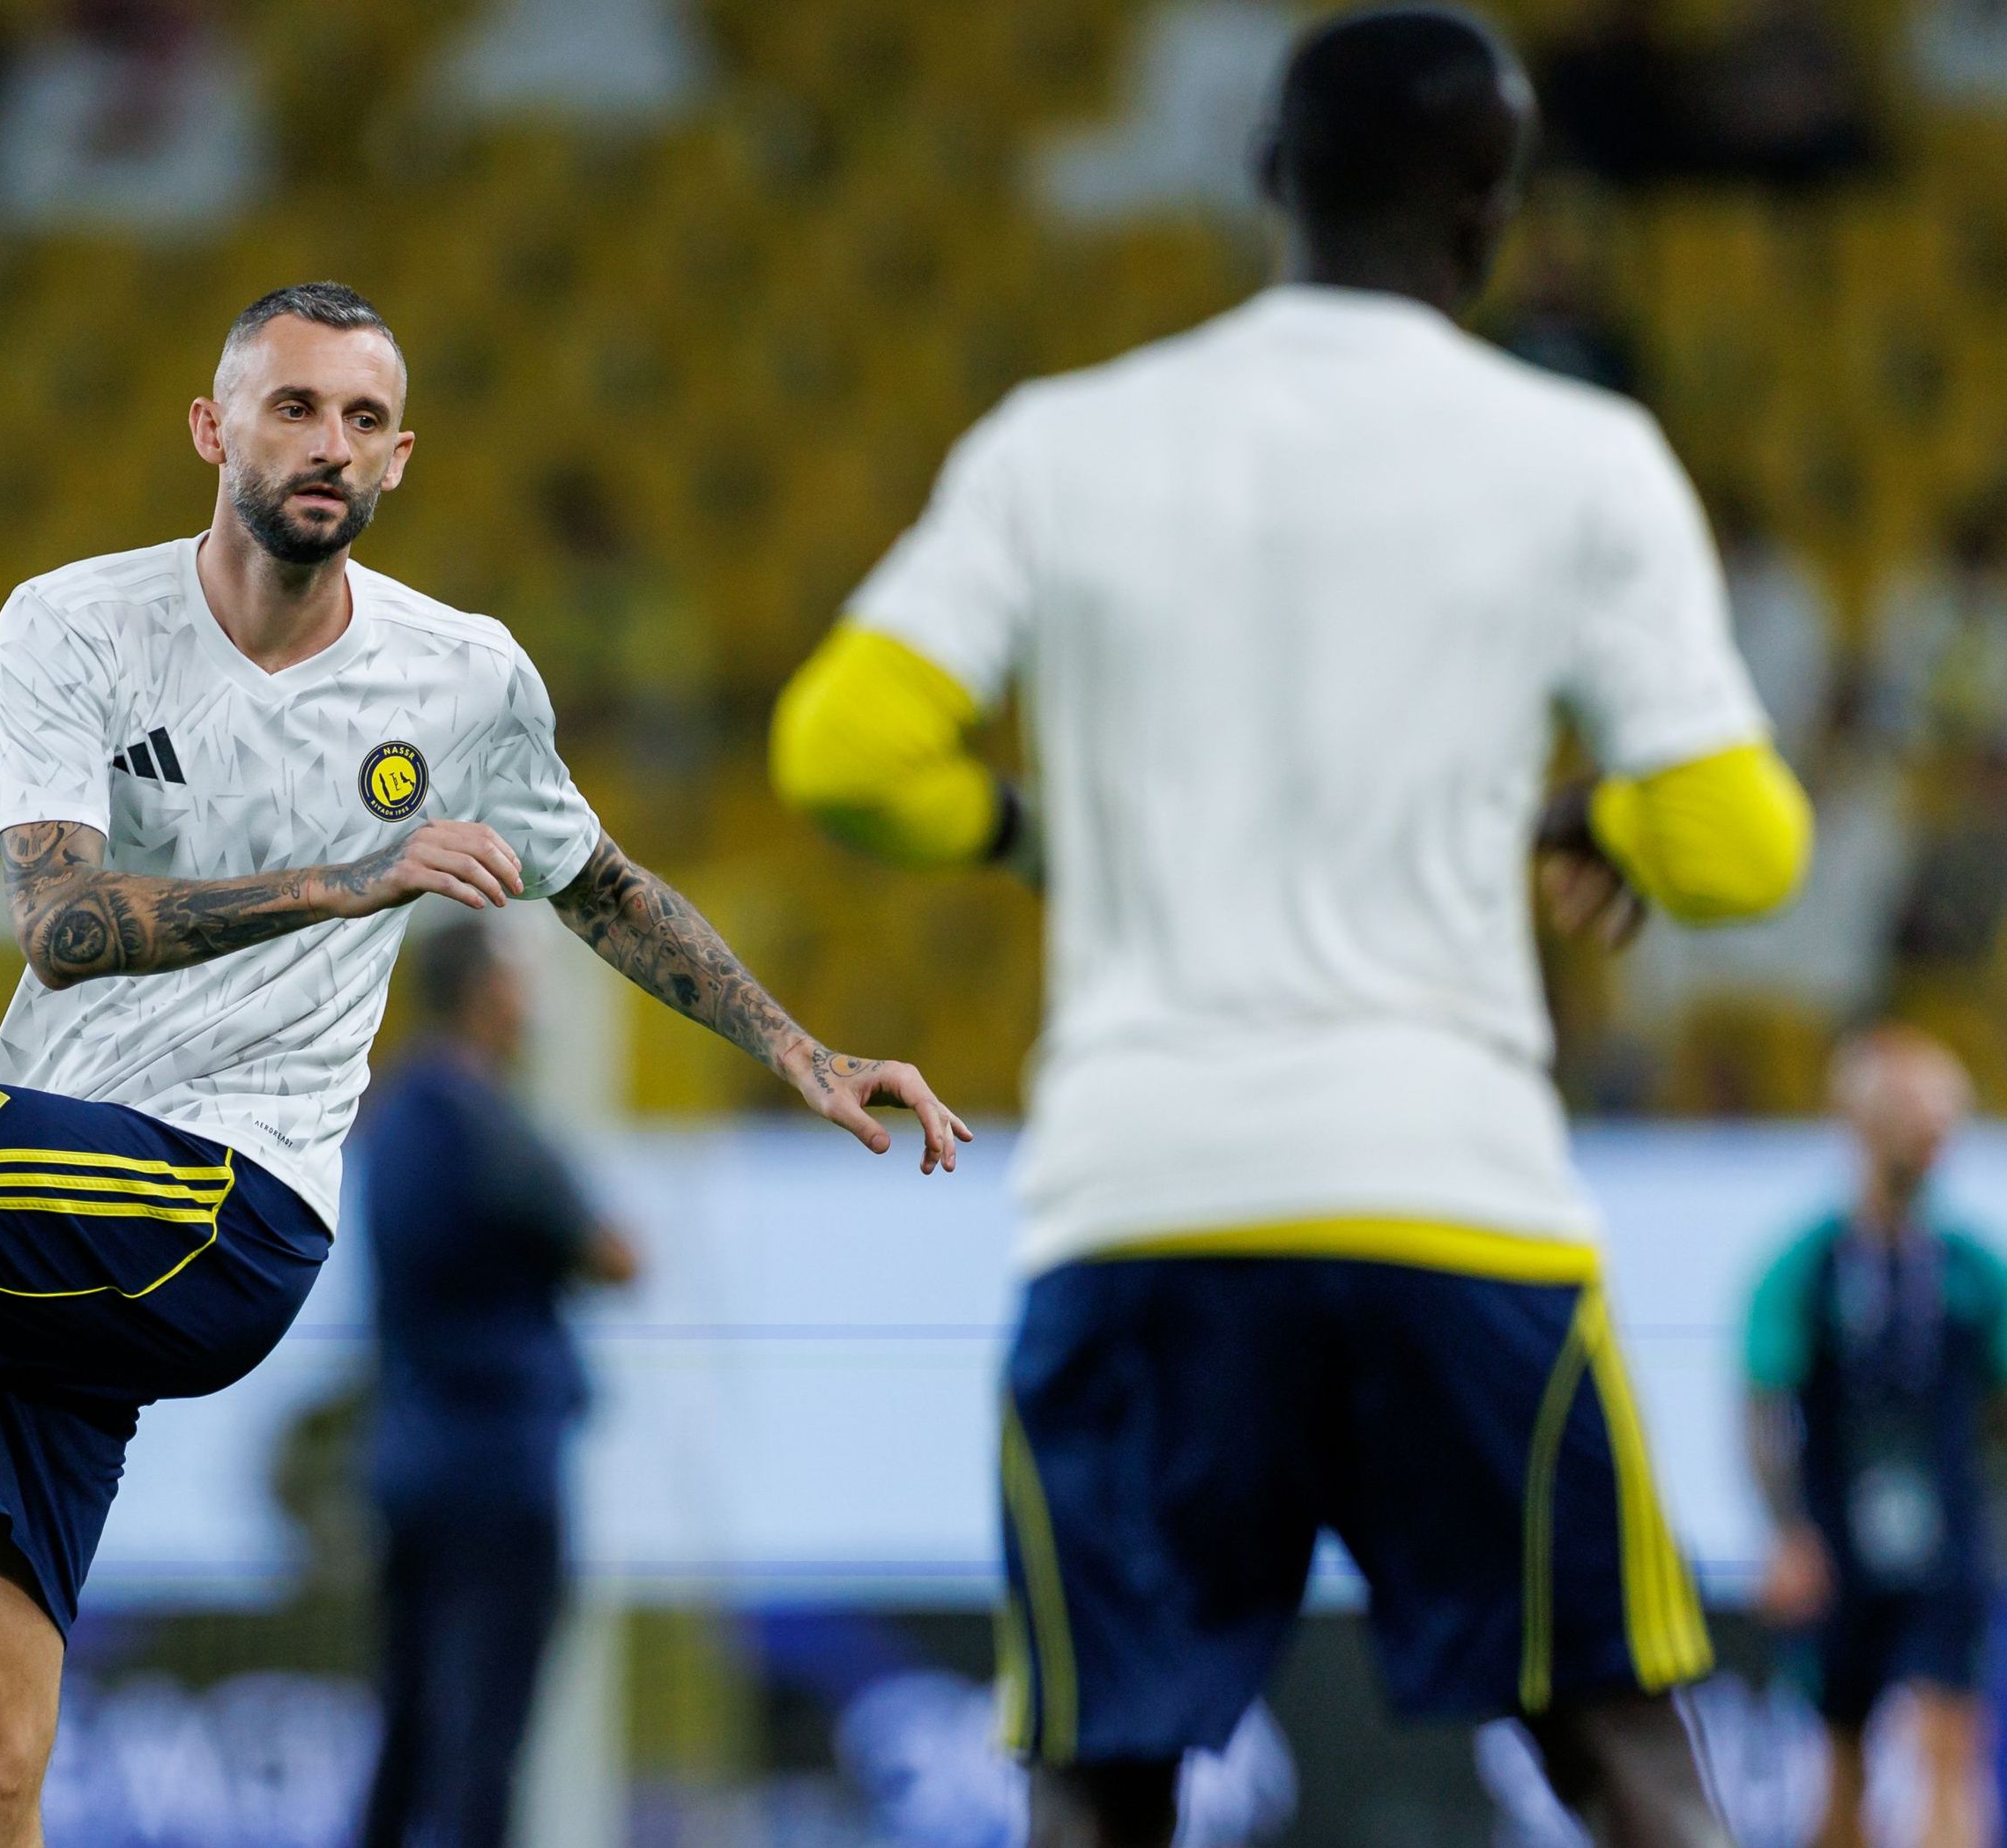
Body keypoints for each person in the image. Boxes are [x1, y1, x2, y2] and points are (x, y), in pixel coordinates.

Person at [0, 282, 971, 1831]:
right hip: (52, 1199)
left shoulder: (460, 676)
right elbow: (60, 925)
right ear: (213, 428)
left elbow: (599, 883)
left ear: (399, 458)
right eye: (292, 407)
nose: (326, 444)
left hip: (228, 1199)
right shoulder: (73, 623)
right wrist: (352, 878)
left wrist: (800, 1052)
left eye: (359, 419)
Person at [769, 11, 1811, 1845]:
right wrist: (1605, 817)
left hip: (1142, 1194)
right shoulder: (1576, 457)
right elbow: (1737, 849)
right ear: (1488, 210)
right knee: (1619, 1755)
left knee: (1099, 1777)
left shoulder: (1062, 442)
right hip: (1453, 1189)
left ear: (1267, 174)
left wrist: (1033, 836)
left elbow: (841, 748)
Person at [354, 917, 641, 1848]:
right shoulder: (483, 1120)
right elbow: (614, 1254)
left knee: (407, 1727)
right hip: (497, 1467)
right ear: (485, 992)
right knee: (487, 1738)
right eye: (516, 980)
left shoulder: (392, 1115)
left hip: (408, 1455)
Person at [1743, 1027, 2002, 1848]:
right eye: (1912, 1112)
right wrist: (1787, 1536)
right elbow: (1760, 1402)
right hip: (1837, 1536)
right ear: (1857, 1122)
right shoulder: (1807, 1266)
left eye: (1944, 1115)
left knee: (1950, 1747)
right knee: (1839, 1757)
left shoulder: (1971, 1267)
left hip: (1947, 1533)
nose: (1933, 1134)